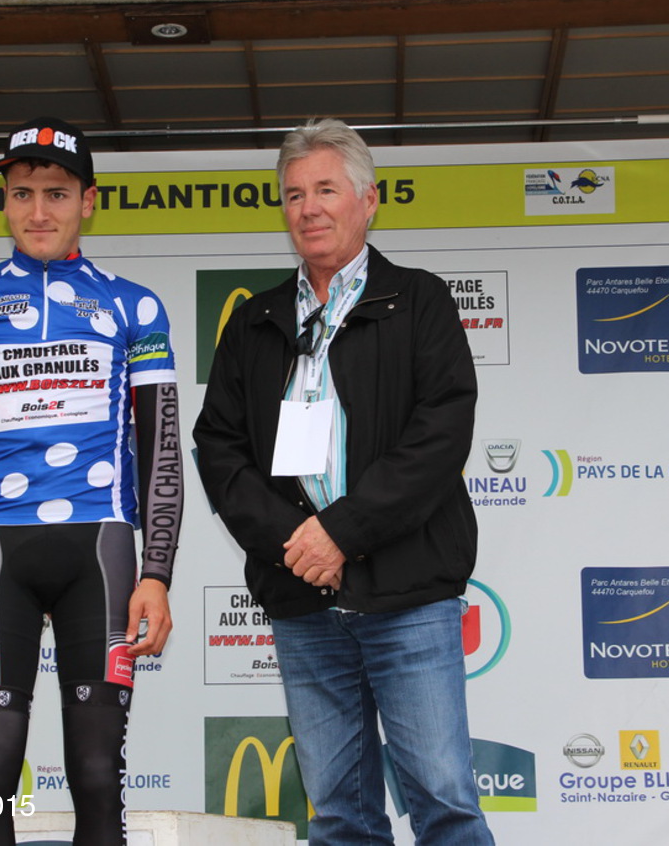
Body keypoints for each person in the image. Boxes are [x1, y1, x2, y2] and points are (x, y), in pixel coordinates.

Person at [192, 118, 492, 844]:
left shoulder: (419, 300)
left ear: (369, 200)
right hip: (302, 599)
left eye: (326, 190)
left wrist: (341, 533)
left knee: (445, 804)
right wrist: (296, 544)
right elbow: (218, 447)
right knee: (339, 816)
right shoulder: (254, 321)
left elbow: (440, 433)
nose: (309, 209)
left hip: (409, 595)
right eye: (295, 195)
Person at [0, 116, 182, 846]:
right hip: (0, 551)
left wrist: (156, 572)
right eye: (22, 193)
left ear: (88, 201)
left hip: (101, 551)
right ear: (4, 201)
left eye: (57, 194)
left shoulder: (133, 306)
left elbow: (162, 448)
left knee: (96, 775)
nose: (38, 211)